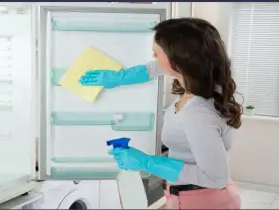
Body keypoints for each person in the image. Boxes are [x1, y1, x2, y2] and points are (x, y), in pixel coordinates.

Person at [79, 18, 243, 209]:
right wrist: (118, 77)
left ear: (178, 61)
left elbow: (216, 177)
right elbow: (152, 69)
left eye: (157, 53)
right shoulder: (204, 80)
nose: (153, 56)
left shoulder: (199, 113)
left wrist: (146, 162)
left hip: (204, 202)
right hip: (188, 197)